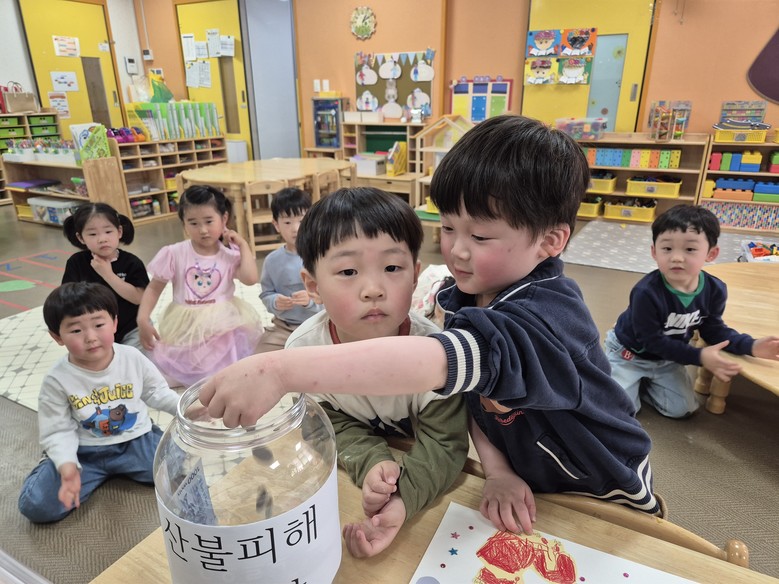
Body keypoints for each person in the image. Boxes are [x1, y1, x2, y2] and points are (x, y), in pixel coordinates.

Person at [199, 115, 661, 535]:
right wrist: (498, 470)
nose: (457, 249)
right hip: (530, 480)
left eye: (479, 235)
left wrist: (281, 370)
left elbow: (437, 362)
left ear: (550, 241)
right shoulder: (472, 294)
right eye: (449, 227)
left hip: (602, 484)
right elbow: (479, 403)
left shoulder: (549, 314)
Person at [287, 187, 469, 557]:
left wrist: (402, 498)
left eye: (391, 268)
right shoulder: (304, 354)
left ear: (415, 275)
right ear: (313, 286)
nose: (373, 290)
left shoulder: (436, 354)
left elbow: (445, 443)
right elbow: (325, 426)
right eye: (348, 271)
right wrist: (370, 460)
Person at [18, 282, 181, 523]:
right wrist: (67, 466)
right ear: (57, 336)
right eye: (76, 330)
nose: (91, 337)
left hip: (135, 442)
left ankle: (146, 452)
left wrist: (184, 410)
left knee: (180, 470)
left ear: (114, 323)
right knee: (37, 505)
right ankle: (52, 462)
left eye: (98, 325)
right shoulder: (57, 379)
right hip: (83, 452)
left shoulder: (132, 357)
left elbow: (157, 392)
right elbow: (57, 429)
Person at [604, 205, 779, 418]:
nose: (677, 257)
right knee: (620, 412)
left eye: (689, 249)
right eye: (667, 248)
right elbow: (651, 341)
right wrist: (700, 356)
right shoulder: (646, 292)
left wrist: (751, 346)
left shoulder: (715, 289)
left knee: (683, 410)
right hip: (629, 354)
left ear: (711, 253)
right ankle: (622, 377)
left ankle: (645, 385)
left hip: (667, 359)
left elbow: (714, 330)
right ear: (654, 252)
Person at [137, 185, 263, 387]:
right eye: (193, 223)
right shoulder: (174, 253)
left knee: (226, 371)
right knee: (171, 372)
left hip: (221, 324)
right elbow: (154, 288)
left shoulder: (229, 255)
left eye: (209, 221)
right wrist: (143, 318)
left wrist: (243, 245)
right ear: (184, 224)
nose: (203, 230)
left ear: (224, 219)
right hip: (185, 323)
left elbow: (250, 279)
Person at [62, 203, 149, 350]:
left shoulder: (131, 262)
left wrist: (107, 274)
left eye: (108, 231)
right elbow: (67, 298)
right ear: (80, 238)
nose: (102, 239)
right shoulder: (76, 262)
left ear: (119, 232)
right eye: (92, 234)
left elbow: (139, 298)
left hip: (132, 328)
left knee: (134, 359)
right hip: (94, 331)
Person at [256, 187, 322, 353]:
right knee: (262, 354)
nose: (295, 228)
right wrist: (275, 302)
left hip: (319, 322)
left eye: (301, 220)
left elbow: (332, 293)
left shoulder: (321, 255)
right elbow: (266, 293)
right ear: (276, 225)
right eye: (287, 222)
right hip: (285, 326)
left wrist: (311, 300)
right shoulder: (272, 261)